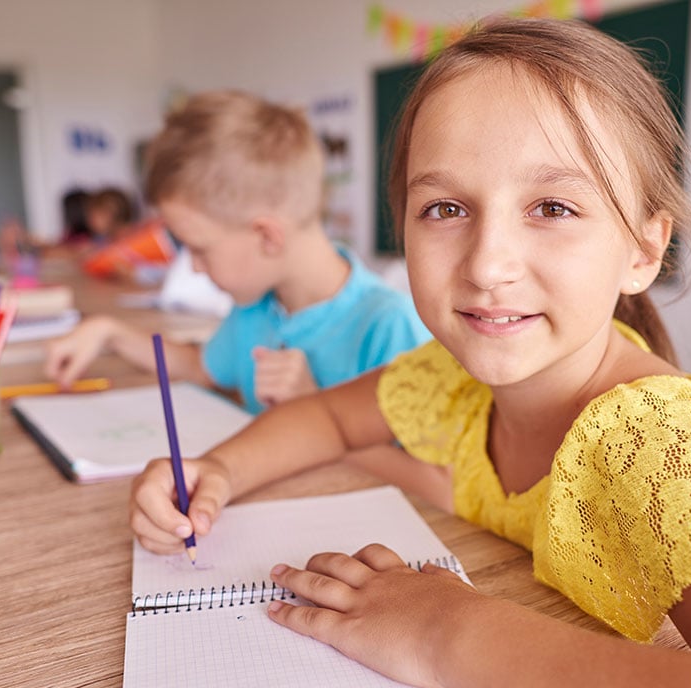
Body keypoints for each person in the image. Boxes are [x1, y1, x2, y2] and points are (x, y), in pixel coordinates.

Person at [127, 18, 691, 688]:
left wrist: (450, 631)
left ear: (642, 250)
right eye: (446, 208)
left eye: (553, 208)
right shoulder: (453, 373)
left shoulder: (654, 440)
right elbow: (329, 416)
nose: (486, 263)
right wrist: (220, 472)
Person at [46, 90, 439, 495]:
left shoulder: (390, 324)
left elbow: (432, 484)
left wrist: (312, 408)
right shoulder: (258, 306)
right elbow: (203, 367)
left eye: (199, 248)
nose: (193, 267)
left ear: (267, 236)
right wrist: (108, 332)